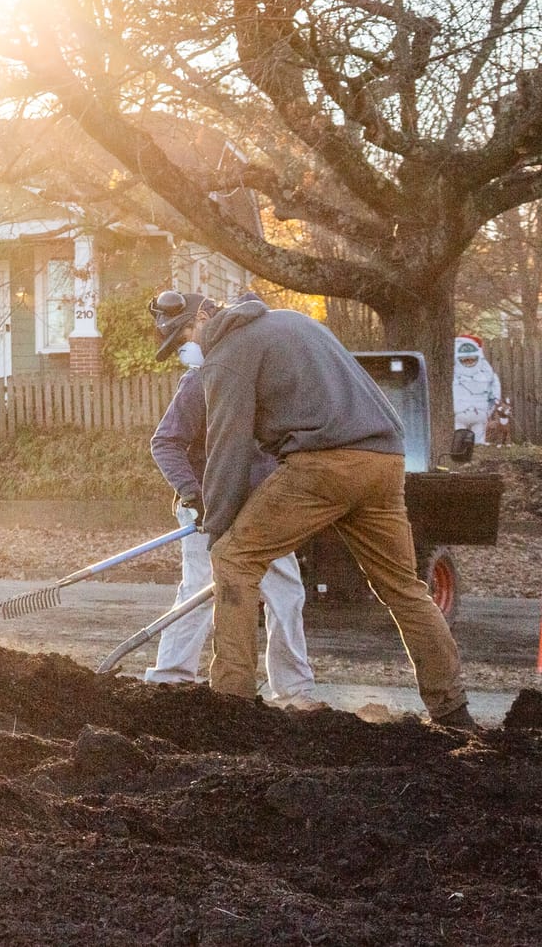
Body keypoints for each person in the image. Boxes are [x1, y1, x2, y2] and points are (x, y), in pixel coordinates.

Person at [149, 290, 475, 729]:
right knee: (403, 587)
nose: (187, 345)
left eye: (186, 333)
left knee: (233, 558)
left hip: (321, 464)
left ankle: (231, 707)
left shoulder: (227, 354)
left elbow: (227, 450)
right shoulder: (291, 322)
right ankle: (453, 711)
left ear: (206, 315)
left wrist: (218, 523)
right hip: (385, 459)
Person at [144, 312, 318, 709]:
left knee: (287, 592)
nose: (184, 347)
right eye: (176, 344)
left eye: (185, 335)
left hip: (263, 505)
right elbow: (165, 442)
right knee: (199, 592)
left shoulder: (260, 378)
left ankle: (294, 690)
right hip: (207, 508)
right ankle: (170, 678)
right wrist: (193, 493)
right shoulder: (197, 382)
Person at [453, 335, 502, 445]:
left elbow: (494, 392)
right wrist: (489, 409)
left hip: (466, 412)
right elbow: (495, 392)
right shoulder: (487, 371)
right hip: (471, 412)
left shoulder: (452, 371)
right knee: (473, 439)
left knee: (462, 438)